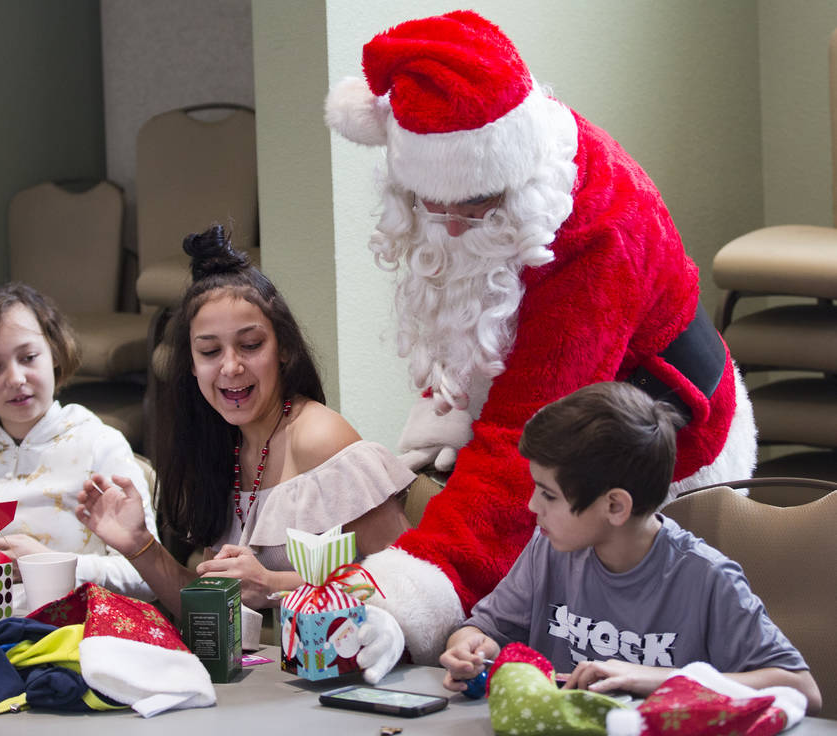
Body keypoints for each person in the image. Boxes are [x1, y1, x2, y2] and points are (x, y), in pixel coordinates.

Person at [324, 10, 758, 666]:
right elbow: (466, 309)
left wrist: (402, 588)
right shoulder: (469, 196)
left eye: (475, 207)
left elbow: (526, 442)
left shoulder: (604, 230)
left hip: (673, 446)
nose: (457, 228)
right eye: (432, 206)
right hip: (568, 422)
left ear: (509, 173)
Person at [75, 225, 413, 620]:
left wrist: (273, 586)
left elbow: (407, 581)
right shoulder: (221, 447)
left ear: (283, 348)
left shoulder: (318, 437)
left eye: (251, 345)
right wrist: (139, 545)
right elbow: (210, 612)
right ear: (192, 365)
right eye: (210, 351)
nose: (231, 366)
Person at [439, 382, 822, 713]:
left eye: (549, 495)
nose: (532, 506)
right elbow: (488, 630)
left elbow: (801, 690)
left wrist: (654, 678)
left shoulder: (706, 578)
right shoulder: (549, 549)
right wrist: (469, 649)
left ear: (615, 506)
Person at [0, 282, 157, 599]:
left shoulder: (99, 444)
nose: (15, 379)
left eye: (28, 357)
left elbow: (145, 578)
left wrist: (50, 564)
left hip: (70, 630)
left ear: (53, 353)